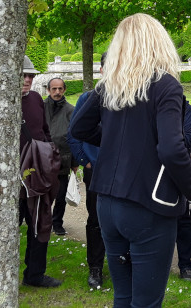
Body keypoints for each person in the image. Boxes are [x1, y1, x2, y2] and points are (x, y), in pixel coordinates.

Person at [68, 13, 191, 307]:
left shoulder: (110, 85)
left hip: (107, 205)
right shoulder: (166, 85)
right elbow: (172, 149)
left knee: (123, 297)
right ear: (158, 41)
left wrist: (122, 145)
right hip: (147, 208)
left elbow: (80, 128)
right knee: (146, 302)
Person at [19, 55, 62, 288]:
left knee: (40, 225)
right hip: (13, 179)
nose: (27, 79)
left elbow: (44, 131)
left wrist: (49, 154)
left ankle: (34, 275)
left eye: (30, 76)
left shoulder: (36, 98)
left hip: (37, 174)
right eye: (23, 75)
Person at [68, 53, 107, 289]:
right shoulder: (88, 98)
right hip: (96, 168)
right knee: (96, 219)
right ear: (101, 70)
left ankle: (125, 262)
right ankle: (95, 267)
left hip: (123, 170)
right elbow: (73, 133)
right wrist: (86, 161)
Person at [44, 77, 77, 236]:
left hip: (63, 159)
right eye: (54, 89)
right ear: (48, 90)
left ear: (64, 90)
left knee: (61, 195)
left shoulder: (71, 110)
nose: (57, 92)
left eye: (60, 89)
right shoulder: (41, 108)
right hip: (42, 159)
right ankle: (43, 221)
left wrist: (75, 161)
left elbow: (76, 136)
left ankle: (57, 223)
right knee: (43, 194)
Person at [175, 96, 191, 280]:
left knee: (183, 217)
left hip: (178, 167)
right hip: (152, 169)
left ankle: (185, 265)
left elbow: (188, 136)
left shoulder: (184, 107)